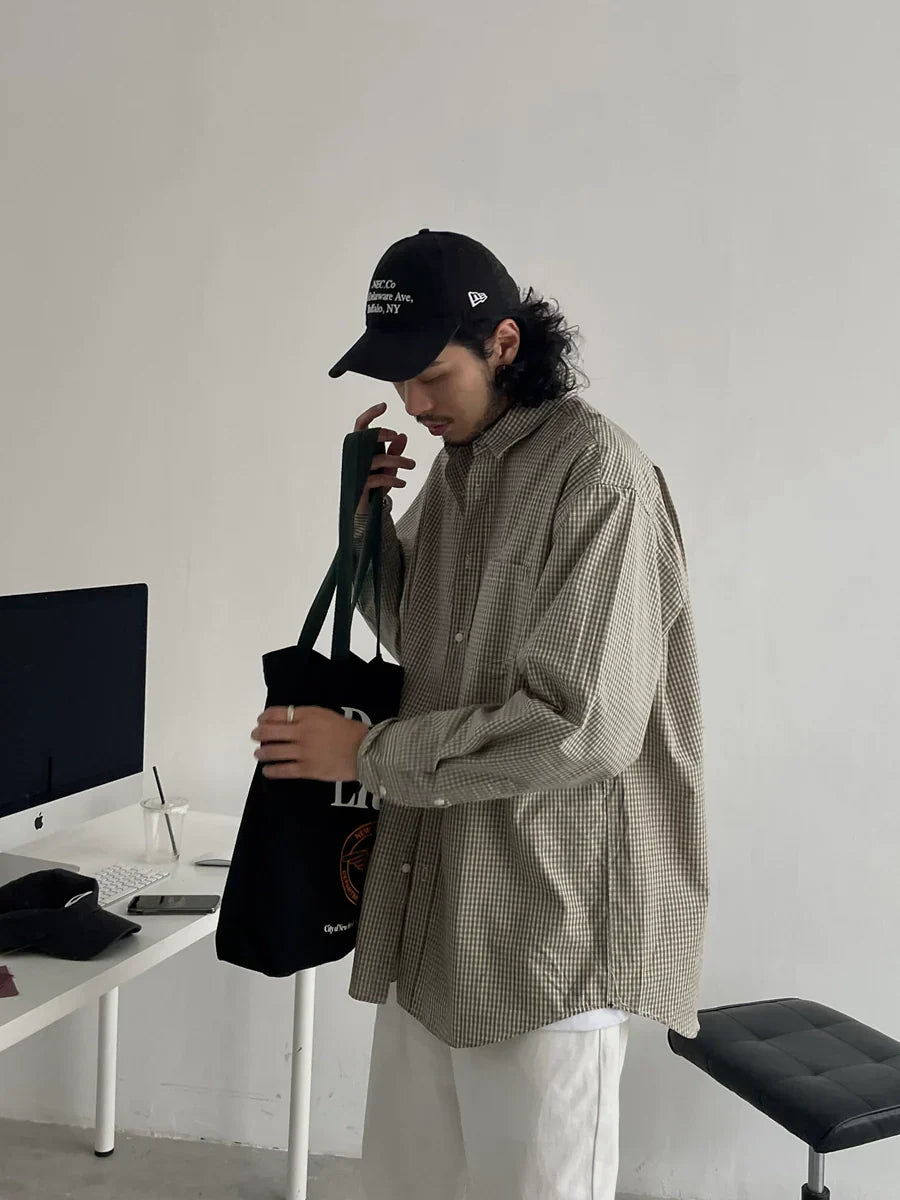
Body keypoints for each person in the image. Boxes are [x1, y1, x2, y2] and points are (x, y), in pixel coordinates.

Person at [250, 230, 707, 1200]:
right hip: (434, 912)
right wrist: (365, 520)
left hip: (545, 938)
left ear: (503, 343)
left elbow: (580, 726)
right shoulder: (462, 467)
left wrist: (366, 752)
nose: (415, 403)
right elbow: (421, 635)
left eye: (432, 374)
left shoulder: (598, 476)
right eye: (399, 379)